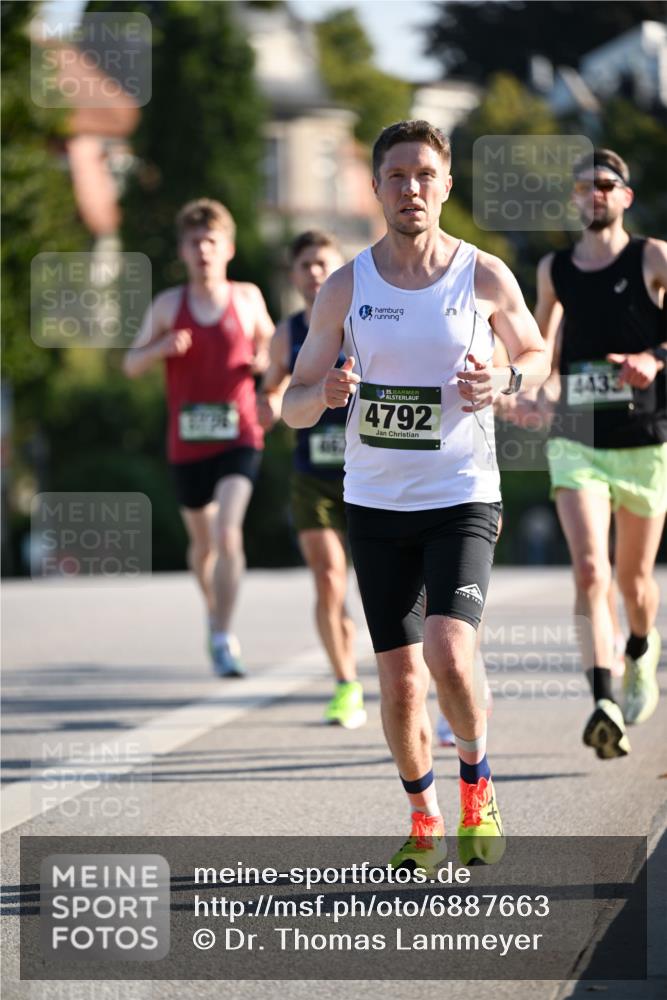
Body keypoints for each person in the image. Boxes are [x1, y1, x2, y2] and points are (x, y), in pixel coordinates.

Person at [282, 120, 549, 868]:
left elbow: (537, 354)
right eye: (396, 175)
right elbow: (291, 402)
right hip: (374, 501)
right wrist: (324, 391)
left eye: (424, 174)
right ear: (375, 187)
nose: (410, 188)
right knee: (398, 683)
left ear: (445, 185)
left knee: (448, 652)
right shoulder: (345, 286)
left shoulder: (482, 274)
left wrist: (503, 379)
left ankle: (476, 783)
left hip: (461, 492)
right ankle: (423, 818)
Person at [522, 149, 667, 758]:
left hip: (642, 438)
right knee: (589, 569)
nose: (595, 194)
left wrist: (652, 360)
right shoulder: (556, 268)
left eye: (607, 184)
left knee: (634, 581)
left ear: (624, 197)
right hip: (577, 436)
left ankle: (641, 647)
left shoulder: (652, 256)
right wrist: (533, 392)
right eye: (585, 186)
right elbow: (540, 348)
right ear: (575, 198)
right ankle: (603, 697)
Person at [123, 198, 274, 677]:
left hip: (239, 434)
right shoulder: (169, 305)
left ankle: (223, 636)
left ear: (227, 248)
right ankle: (214, 612)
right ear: (183, 252)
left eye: (211, 241)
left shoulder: (247, 298)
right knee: (204, 547)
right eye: (194, 243)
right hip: (188, 443)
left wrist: (265, 363)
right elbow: (130, 364)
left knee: (229, 532)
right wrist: (160, 347)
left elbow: (273, 346)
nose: (203, 250)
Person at [257, 230, 367, 728]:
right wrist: (268, 399)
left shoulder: (363, 320)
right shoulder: (288, 330)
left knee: (386, 584)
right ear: (295, 274)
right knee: (327, 579)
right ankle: (346, 684)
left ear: (340, 269)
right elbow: (274, 384)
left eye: (324, 263)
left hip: (369, 471)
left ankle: (408, 671)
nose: (315, 273)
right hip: (313, 477)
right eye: (306, 265)